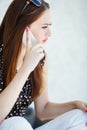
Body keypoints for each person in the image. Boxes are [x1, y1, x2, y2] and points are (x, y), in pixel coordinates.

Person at [0, 0, 87, 130]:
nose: (49, 33)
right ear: (23, 28)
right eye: (44, 27)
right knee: (17, 123)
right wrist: (26, 68)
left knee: (81, 116)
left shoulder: (41, 58)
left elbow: (43, 110)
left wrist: (74, 104)